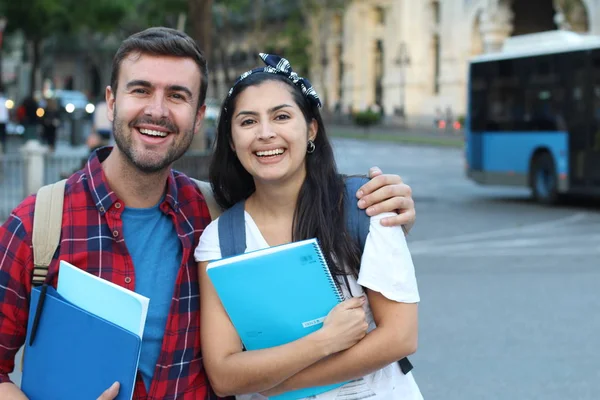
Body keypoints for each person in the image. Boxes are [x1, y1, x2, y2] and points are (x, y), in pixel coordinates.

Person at [0, 28, 417, 400]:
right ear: (111, 101)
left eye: (177, 96)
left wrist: (387, 211)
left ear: (199, 117)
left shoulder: (211, 213)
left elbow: (294, 208)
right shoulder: (39, 225)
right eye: (140, 90)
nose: (157, 110)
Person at [195, 54, 421, 399]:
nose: (266, 133)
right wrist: (323, 342)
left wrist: (279, 383)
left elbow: (400, 336)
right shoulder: (221, 240)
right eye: (248, 122)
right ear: (230, 139)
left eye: (282, 116)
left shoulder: (366, 203)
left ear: (311, 128)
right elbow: (225, 375)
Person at [0, 86, 8, 154]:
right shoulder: (5, 101)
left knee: (3, 136)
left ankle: (2, 148)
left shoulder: (5, 101)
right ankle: (3, 148)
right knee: (3, 136)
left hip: (3, 120)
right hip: (4, 120)